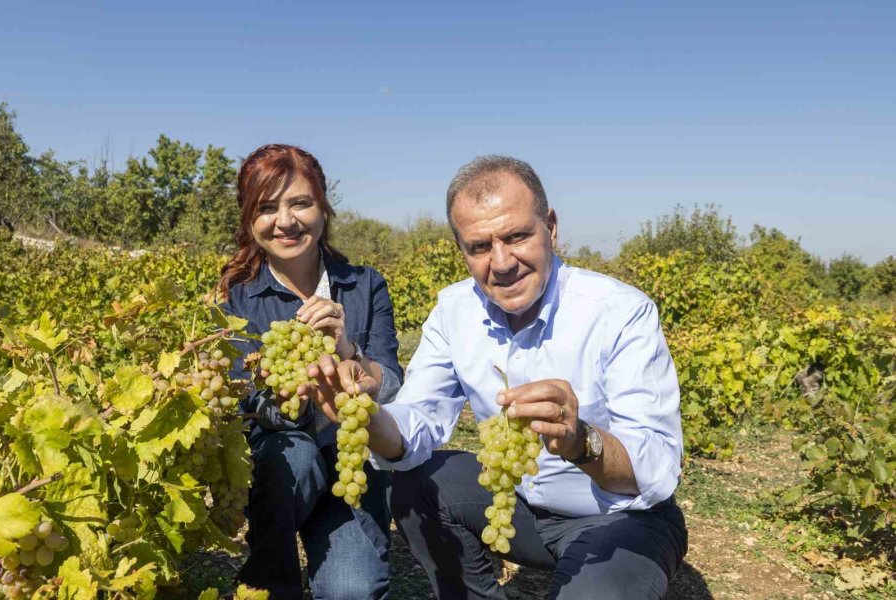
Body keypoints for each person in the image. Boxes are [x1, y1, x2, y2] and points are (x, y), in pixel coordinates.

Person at [309, 156, 688, 600]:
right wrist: (369, 419)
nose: (502, 261)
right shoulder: (454, 311)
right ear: (462, 250)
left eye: (517, 236)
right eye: (480, 246)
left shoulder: (620, 312)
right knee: (416, 484)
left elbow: (658, 469)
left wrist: (582, 441)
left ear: (551, 226)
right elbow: (419, 416)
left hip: (621, 516)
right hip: (521, 509)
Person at [217, 144, 402, 600]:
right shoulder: (236, 298)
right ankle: (270, 580)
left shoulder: (365, 285)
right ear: (249, 219)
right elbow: (239, 398)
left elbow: (392, 384)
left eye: (300, 203)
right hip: (280, 473)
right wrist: (283, 400)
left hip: (349, 466)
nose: (285, 221)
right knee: (292, 456)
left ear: (323, 208)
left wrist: (347, 350)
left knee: (352, 591)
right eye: (266, 208)